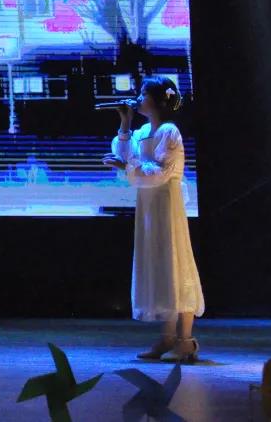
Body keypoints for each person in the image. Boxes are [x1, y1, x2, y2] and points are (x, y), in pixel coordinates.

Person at [102, 75, 205, 362]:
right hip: (148, 202)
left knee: (175, 262)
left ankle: (185, 340)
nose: (138, 97)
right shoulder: (143, 131)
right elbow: (127, 156)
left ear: (159, 100)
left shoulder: (170, 131)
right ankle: (167, 337)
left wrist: (128, 166)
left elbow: (160, 172)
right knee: (158, 263)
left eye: (144, 93)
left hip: (167, 202)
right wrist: (125, 124)